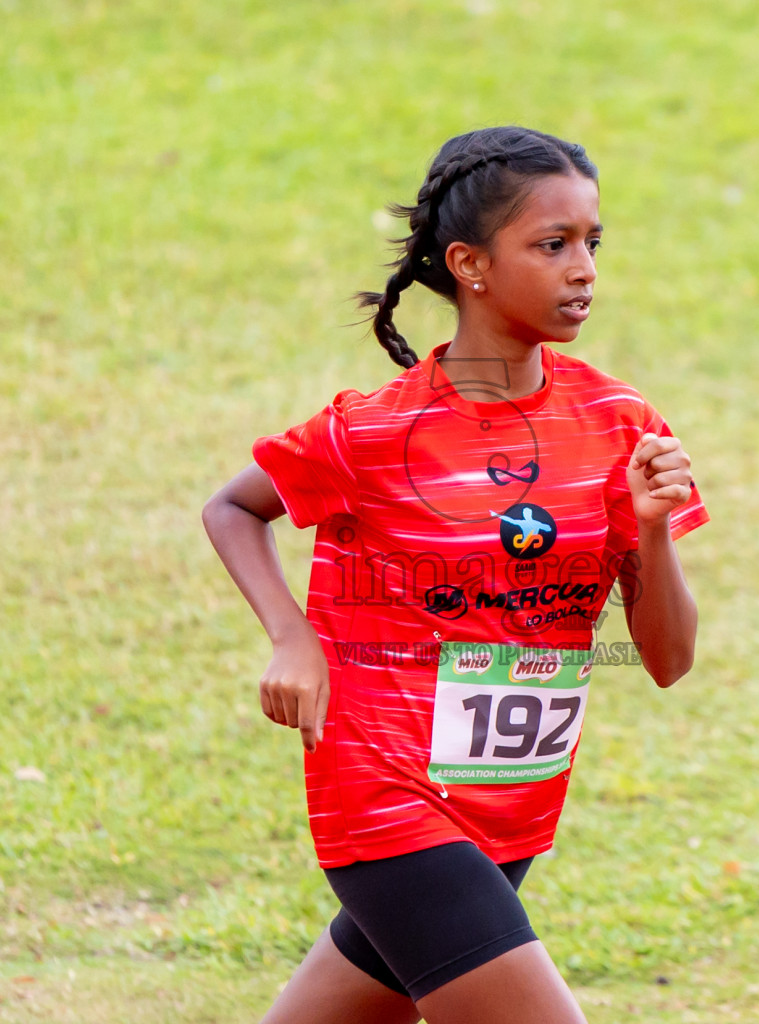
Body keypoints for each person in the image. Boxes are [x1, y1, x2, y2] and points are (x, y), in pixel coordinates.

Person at [202, 125, 709, 1024]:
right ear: (470, 265)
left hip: (510, 806)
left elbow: (667, 660)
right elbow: (234, 508)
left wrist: (651, 534)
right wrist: (294, 637)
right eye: (552, 245)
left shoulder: (621, 422)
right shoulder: (372, 431)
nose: (584, 268)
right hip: (387, 796)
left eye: (594, 242)